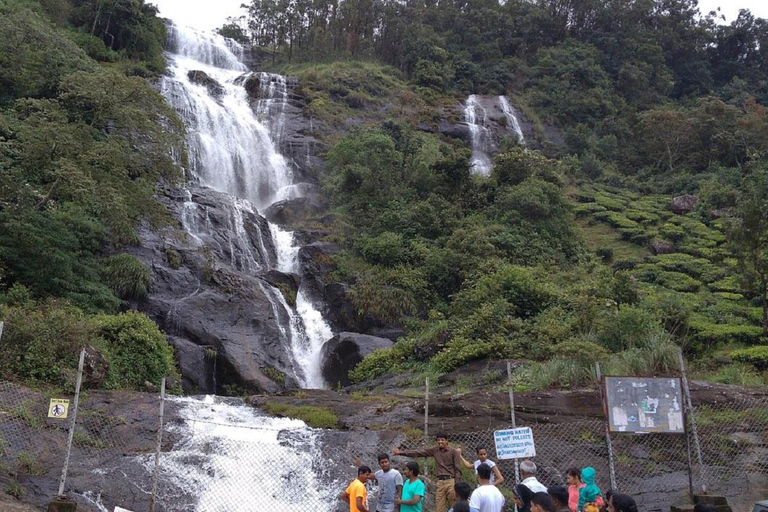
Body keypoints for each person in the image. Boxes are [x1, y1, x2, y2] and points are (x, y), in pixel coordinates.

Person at [393, 433, 462, 512]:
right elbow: (419, 452)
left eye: (442, 440)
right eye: (438, 440)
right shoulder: (435, 450)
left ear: (447, 441)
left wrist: (457, 486)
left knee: (454, 506)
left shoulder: (453, 452)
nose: (440, 442)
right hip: (440, 482)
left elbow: (458, 469)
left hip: (451, 481)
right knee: (439, 509)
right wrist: (401, 453)